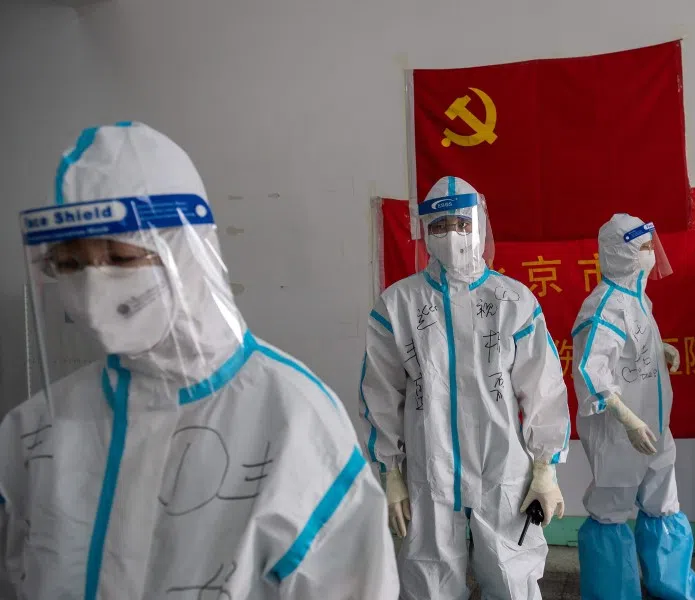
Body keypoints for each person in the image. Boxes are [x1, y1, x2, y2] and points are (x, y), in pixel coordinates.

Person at [0, 122, 399, 599]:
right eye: (70, 265)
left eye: (121, 258)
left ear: (188, 250)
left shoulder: (292, 421)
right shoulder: (38, 427)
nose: (91, 286)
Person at [360, 175, 571, 600]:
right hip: (428, 473)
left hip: (503, 472)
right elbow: (380, 393)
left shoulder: (514, 301)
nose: (451, 235)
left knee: (512, 580)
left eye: (461, 223)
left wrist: (545, 469)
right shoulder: (398, 305)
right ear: (424, 232)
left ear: (479, 225)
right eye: (438, 226)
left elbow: (543, 390)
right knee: (429, 583)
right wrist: (392, 472)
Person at [572, 214, 695, 600]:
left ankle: (671, 586)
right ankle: (613, 594)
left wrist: (659, 351)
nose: (652, 254)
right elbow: (590, 372)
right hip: (619, 435)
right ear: (621, 253)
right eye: (643, 247)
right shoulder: (604, 307)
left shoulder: (636, 299)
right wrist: (628, 419)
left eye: (651, 245)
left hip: (654, 427)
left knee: (663, 505)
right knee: (611, 511)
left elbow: (628, 351)